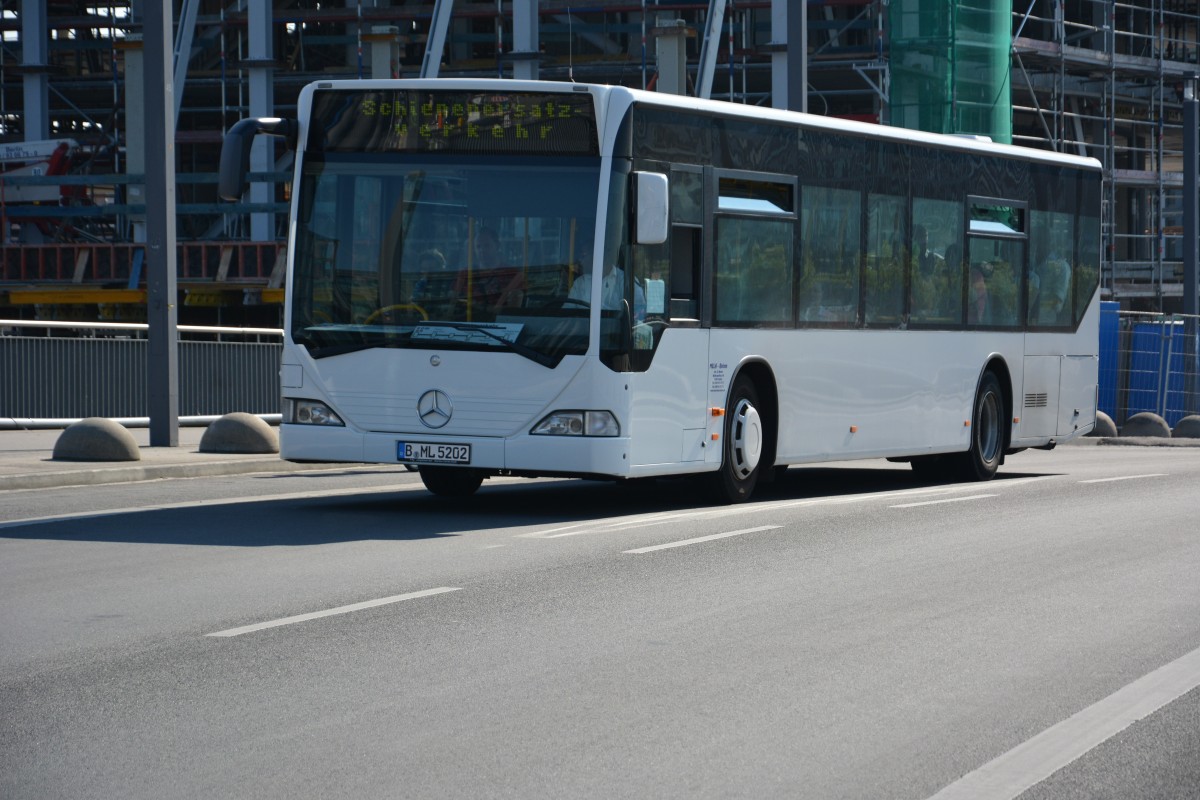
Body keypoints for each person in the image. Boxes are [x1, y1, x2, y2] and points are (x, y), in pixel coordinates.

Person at [566, 234, 644, 315]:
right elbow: (567, 313)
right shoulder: (580, 283)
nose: (580, 260)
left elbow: (639, 313)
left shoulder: (625, 281)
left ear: (597, 255)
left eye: (584, 255)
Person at [455, 227, 524, 313]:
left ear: (497, 245)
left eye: (486, 245)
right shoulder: (465, 274)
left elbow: (514, 311)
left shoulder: (512, 274)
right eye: (478, 246)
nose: (482, 250)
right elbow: (453, 301)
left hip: (501, 323)